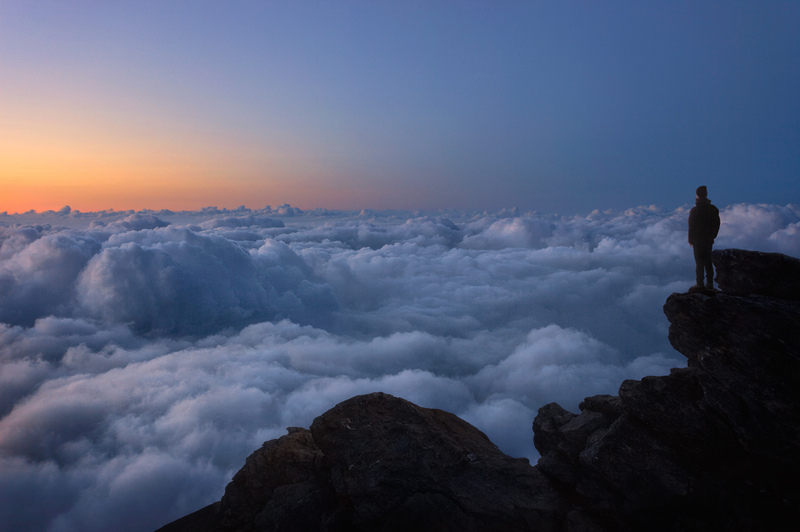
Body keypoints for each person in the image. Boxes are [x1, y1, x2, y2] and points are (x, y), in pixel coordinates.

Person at [688, 186, 721, 289]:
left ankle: (700, 284)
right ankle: (710, 284)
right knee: (708, 262)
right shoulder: (713, 209)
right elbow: (717, 225)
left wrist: (691, 240)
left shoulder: (694, 210)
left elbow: (691, 226)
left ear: (697, 195)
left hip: (697, 241)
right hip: (708, 240)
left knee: (699, 263)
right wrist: (712, 236)